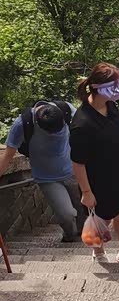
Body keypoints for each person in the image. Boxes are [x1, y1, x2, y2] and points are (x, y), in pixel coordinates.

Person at [69, 63, 119, 265]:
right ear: (100, 87)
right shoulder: (82, 123)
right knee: (100, 218)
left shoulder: (111, 105)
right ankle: (98, 252)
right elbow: (78, 162)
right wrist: (86, 192)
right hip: (97, 178)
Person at [0, 101, 85, 242]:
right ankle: (70, 235)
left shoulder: (66, 110)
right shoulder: (23, 124)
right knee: (67, 214)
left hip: (73, 171)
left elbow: (85, 132)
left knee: (82, 207)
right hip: (47, 178)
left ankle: (85, 235)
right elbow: (7, 156)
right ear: (38, 124)